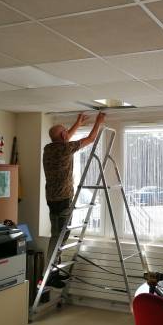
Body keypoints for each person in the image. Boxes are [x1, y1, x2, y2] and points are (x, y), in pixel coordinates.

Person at [43, 112, 106, 271]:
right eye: (66, 131)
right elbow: (90, 139)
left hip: (52, 198)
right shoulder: (65, 148)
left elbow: (64, 136)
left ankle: (53, 271)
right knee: (59, 237)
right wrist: (99, 121)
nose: (68, 134)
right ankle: (50, 272)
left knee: (57, 235)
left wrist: (77, 124)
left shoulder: (49, 148)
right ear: (64, 135)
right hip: (63, 200)